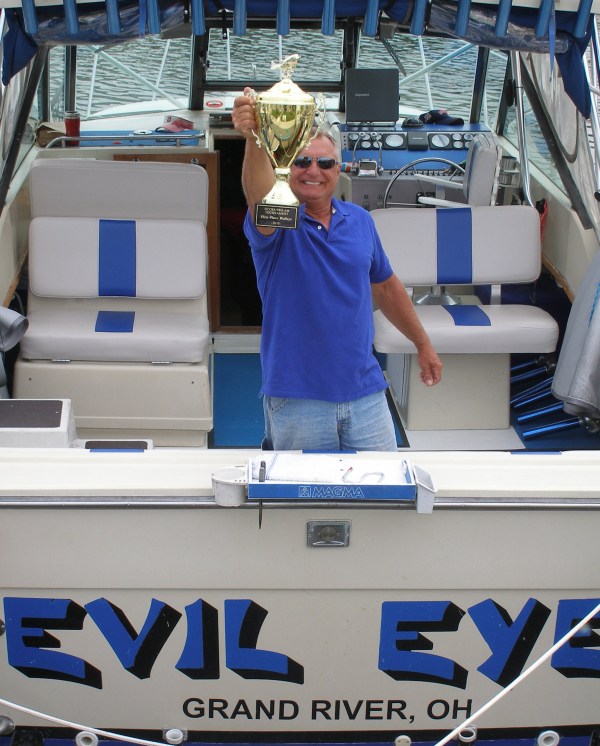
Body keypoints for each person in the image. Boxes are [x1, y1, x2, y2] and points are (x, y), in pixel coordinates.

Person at [232, 88, 442, 451]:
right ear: (285, 167)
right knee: (303, 503)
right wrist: (253, 140)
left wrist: (423, 344)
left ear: (337, 170)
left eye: (325, 163)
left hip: (366, 391)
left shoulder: (360, 220)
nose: (314, 171)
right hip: (297, 397)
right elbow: (258, 197)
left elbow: (387, 287)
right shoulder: (278, 223)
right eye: (302, 162)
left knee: (383, 498)